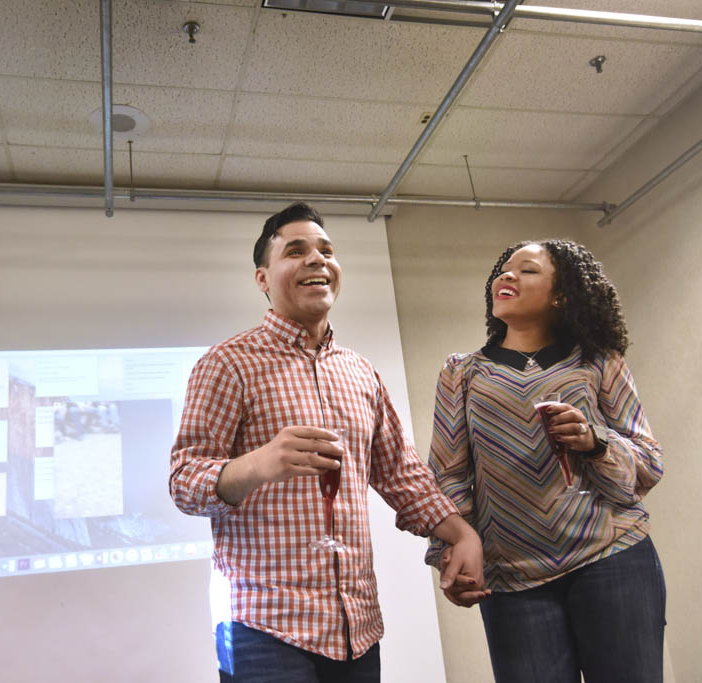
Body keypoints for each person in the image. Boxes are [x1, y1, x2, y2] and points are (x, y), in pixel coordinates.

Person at [170, 202, 488, 683]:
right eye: (295, 251)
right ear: (263, 279)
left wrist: (461, 534)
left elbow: (402, 475)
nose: (316, 259)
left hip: (355, 626)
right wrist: (259, 463)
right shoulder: (227, 364)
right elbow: (183, 482)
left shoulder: (360, 372)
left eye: (326, 250)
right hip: (262, 626)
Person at [427, 239, 665, 683]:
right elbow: (449, 474)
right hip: (511, 578)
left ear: (561, 296)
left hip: (613, 558)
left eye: (527, 270)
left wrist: (595, 442)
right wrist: (449, 552)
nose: (507, 275)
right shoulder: (461, 372)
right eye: (503, 269)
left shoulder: (600, 362)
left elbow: (648, 463)